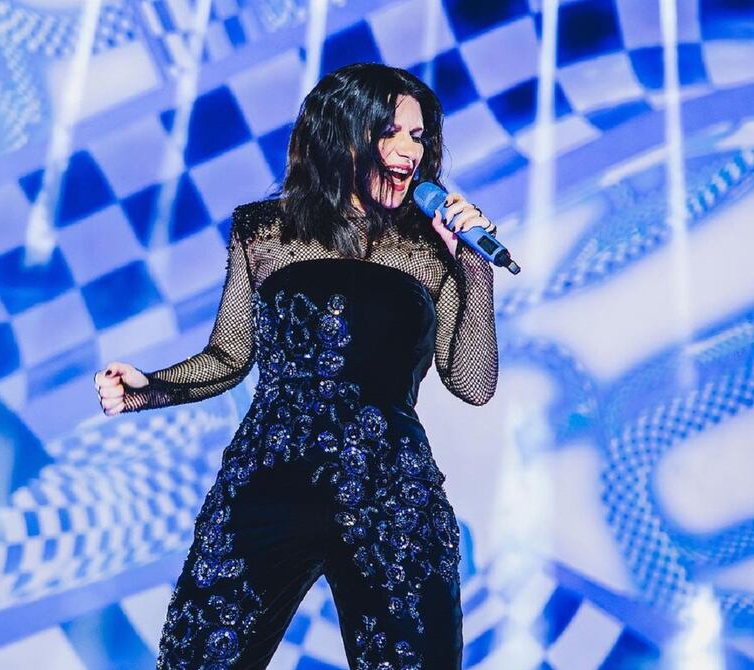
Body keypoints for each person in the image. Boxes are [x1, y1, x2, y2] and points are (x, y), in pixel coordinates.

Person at [93, 62, 498, 669]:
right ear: (343, 134)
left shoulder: (427, 249)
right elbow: (229, 356)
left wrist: (472, 265)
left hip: (389, 491)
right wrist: (150, 388)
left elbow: (471, 381)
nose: (409, 151)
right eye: (391, 132)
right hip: (269, 481)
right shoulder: (264, 232)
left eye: (418, 137)